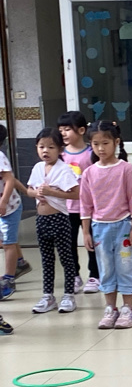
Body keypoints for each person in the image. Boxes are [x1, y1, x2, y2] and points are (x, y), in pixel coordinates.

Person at [79, 121, 132, 330]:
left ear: (116, 142)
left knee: (126, 266)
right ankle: (110, 308)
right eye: (95, 144)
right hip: (99, 228)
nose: (101, 148)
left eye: (105, 143)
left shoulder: (126, 169)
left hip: (123, 226)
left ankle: (128, 309)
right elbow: (85, 204)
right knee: (105, 268)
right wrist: (86, 232)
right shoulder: (89, 173)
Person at [26, 128, 80, 314]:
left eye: (51, 147)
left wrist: (52, 192)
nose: (45, 151)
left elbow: (76, 193)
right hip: (41, 219)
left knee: (66, 258)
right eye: (41, 147)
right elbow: (29, 190)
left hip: (59, 219)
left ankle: (69, 295)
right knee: (47, 259)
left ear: (60, 149)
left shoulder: (64, 169)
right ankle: (48, 296)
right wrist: (36, 193)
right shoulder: (37, 168)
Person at [59, 110, 99, 293]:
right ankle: (74, 275)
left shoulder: (91, 153)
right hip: (66, 208)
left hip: (89, 208)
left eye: (68, 129)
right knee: (68, 245)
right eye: (61, 130)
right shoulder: (60, 155)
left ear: (82, 130)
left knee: (91, 242)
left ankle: (95, 275)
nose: (63, 133)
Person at [0, 124, 24, 301]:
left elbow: (10, 180)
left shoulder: (0, 157)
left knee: (8, 243)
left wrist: (3, 201)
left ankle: (8, 280)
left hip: (9, 208)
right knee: (6, 241)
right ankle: (20, 262)